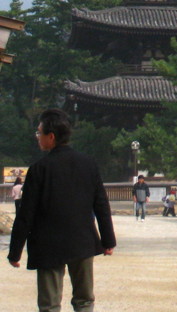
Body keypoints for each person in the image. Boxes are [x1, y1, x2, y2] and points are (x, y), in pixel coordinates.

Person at [7, 108, 116, 312]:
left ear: (51, 136)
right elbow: (101, 204)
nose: (37, 137)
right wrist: (108, 241)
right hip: (81, 240)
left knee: (49, 305)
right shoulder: (88, 164)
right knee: (84, 300)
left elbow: (25, 214)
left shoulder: (39, 169)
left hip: (48, 244)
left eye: (39, 133)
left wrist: (15, 252)